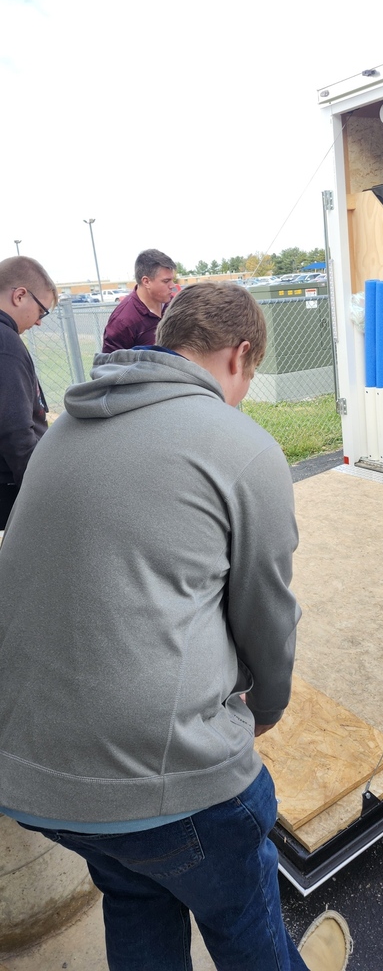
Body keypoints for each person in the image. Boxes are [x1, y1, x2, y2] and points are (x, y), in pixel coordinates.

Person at [0, 280, 350, 971]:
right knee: (243, 921)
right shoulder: (238, 445)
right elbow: (266, 612)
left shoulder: (65, 427)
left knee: (137, 896)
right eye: (247, 376)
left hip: (35, 782)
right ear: (239, 355)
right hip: (173, 785)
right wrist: (266, 709)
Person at [0, 254, 57, 530]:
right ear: (20, 295)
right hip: (9, 484)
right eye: (41, 311)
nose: (38, 322)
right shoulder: (6, 344)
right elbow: (15, 430)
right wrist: (38, 496)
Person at [101, 247, 176, 352]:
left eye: (172, 280)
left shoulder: (174, 306)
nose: (172, 285)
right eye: (166, 281)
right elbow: (111, 361)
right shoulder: (123, 321)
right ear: (146, 282)